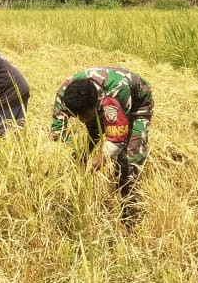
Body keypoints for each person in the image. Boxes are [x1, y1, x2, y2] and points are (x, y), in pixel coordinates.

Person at [50, 67, 154, 221]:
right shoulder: (64, 95)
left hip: (137, 106)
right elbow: (56, 134)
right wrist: (71, 155)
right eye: (78, 118)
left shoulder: (116, 91)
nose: (82, 121)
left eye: (87, 117)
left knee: (127, 162)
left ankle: (129, 213)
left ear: (97, 102)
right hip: (99, 105)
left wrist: (100, 158)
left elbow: (117, 140)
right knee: (79, 155)